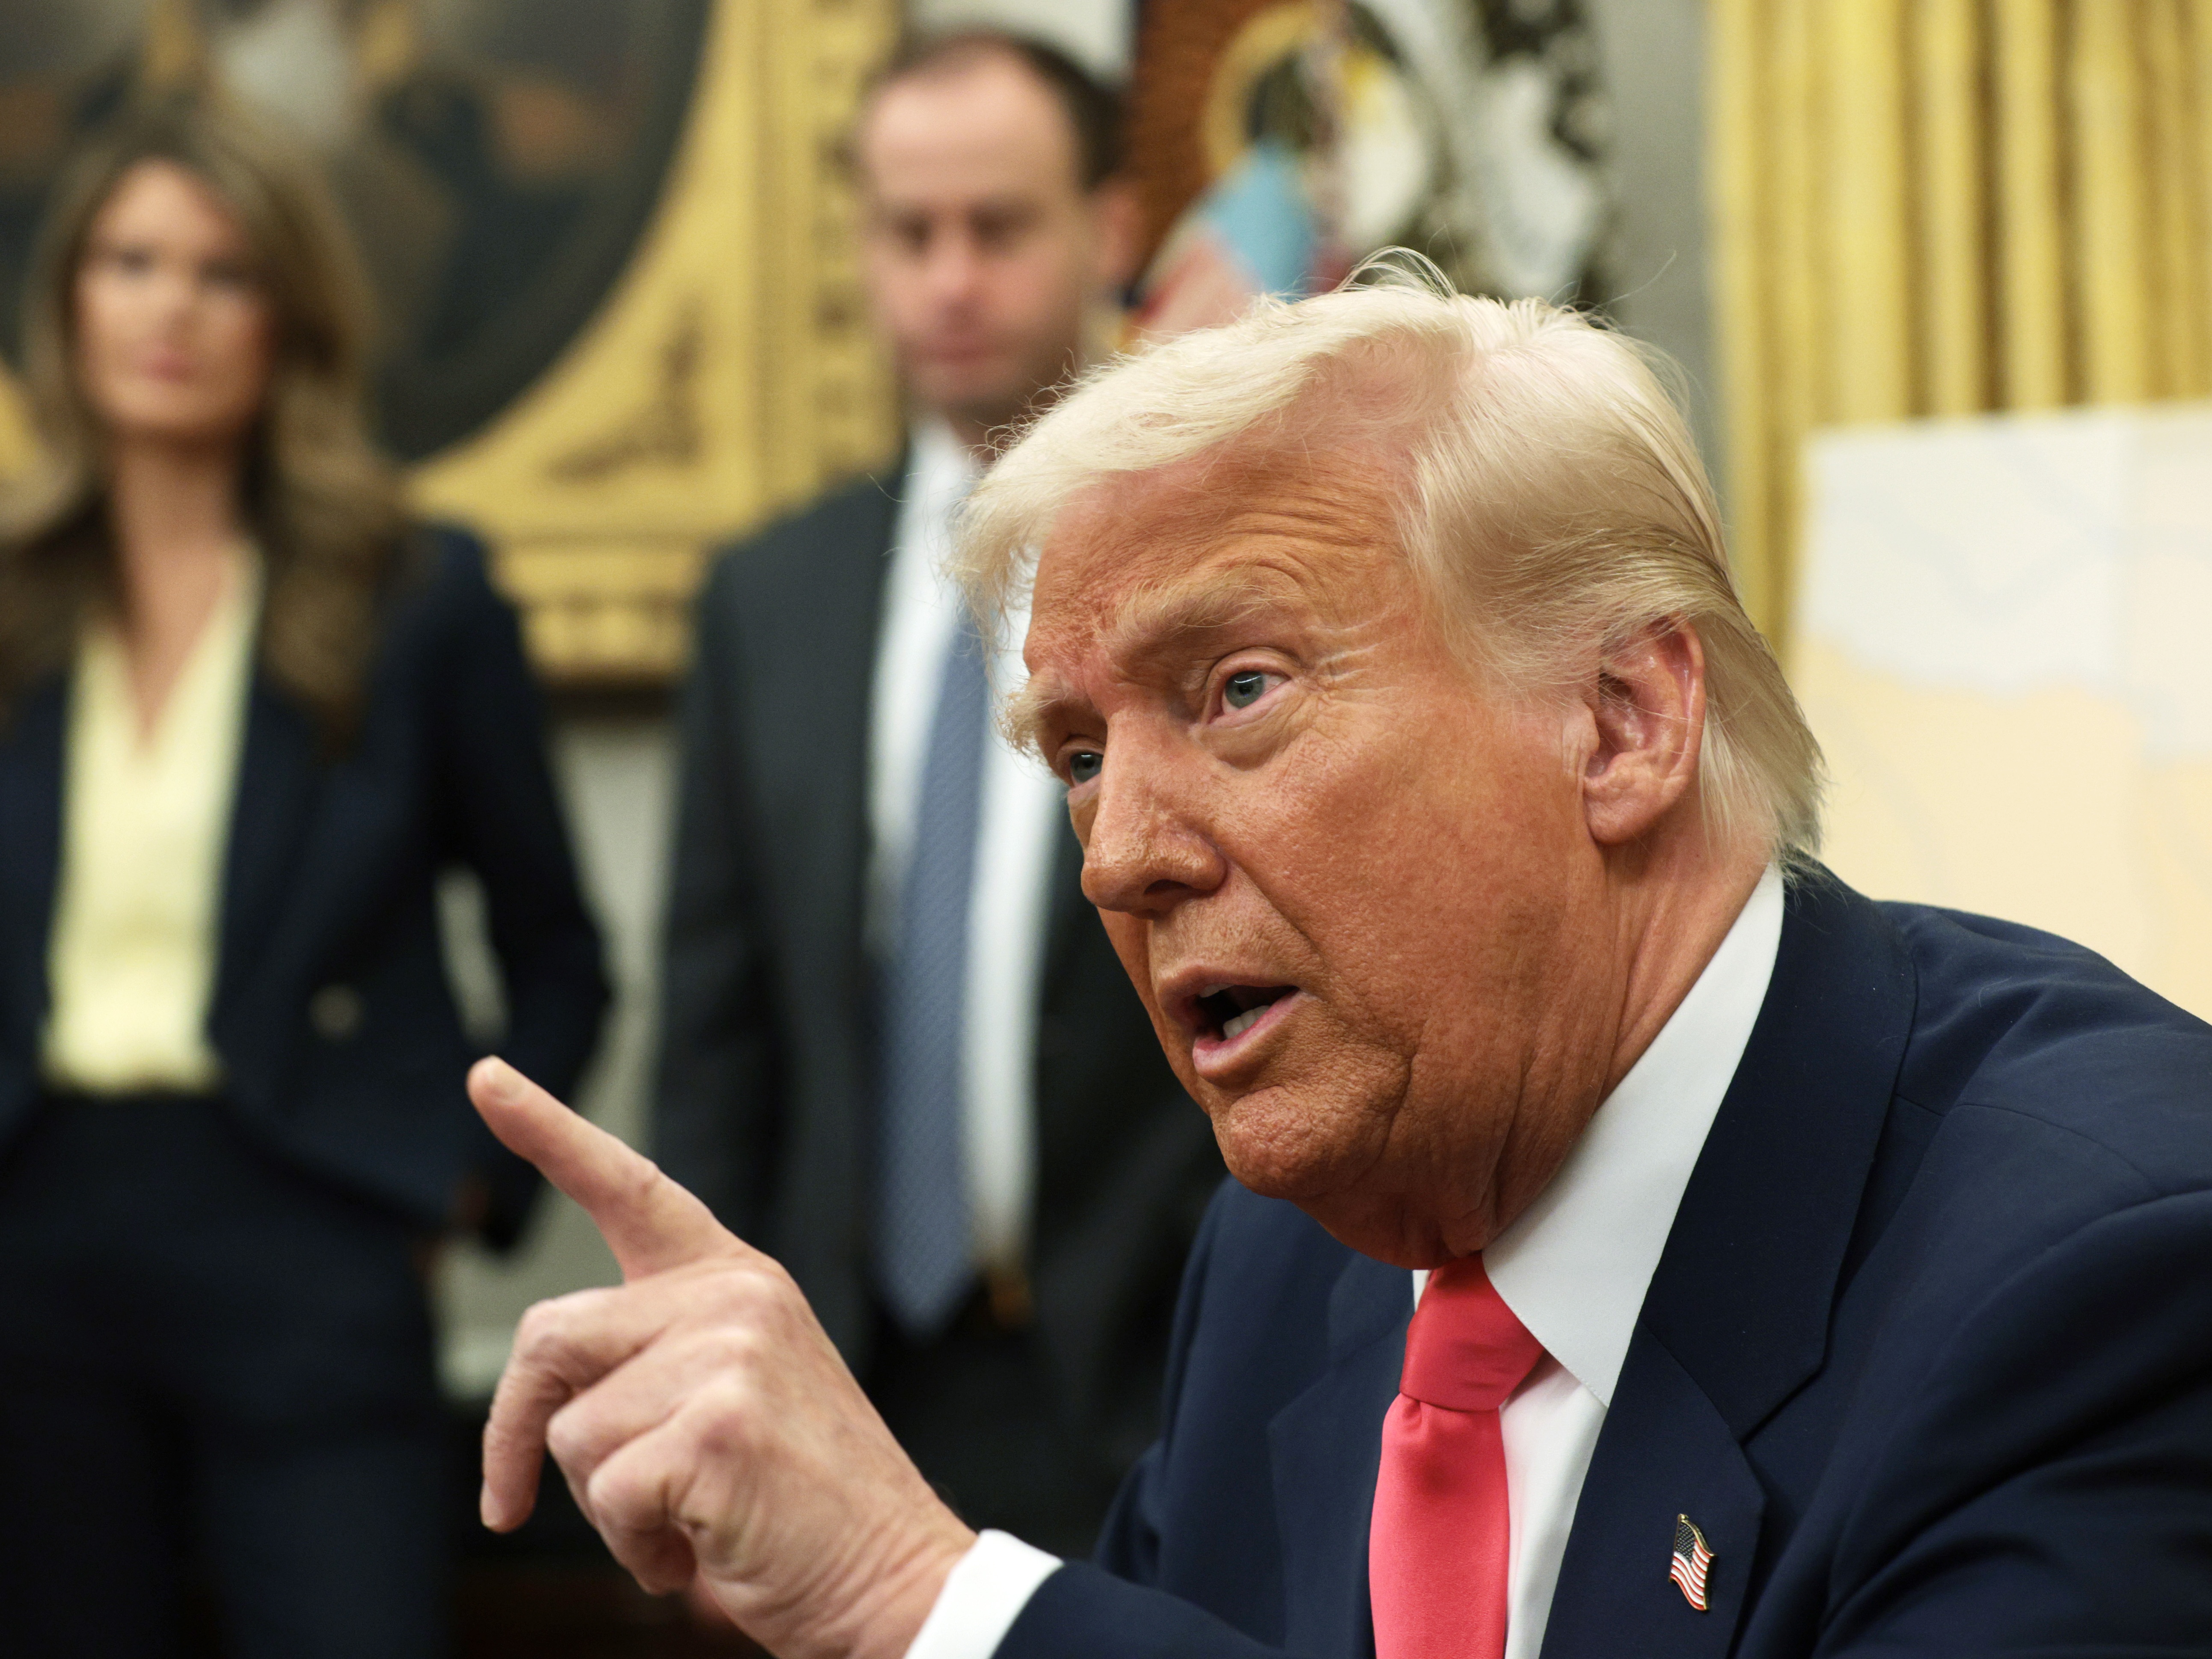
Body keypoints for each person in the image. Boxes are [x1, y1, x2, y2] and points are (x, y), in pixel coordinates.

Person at [471, 266, 2212, 1659]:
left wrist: (930, 1603)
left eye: (1236, 691)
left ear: (1622, 722)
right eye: (1079, 753)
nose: (1117, 853)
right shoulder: (1288, 1267)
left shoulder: (2104, 1269)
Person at [0, 97, 608, 1657]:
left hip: (307, 1233)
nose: (171, 309)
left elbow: (559, 954)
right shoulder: (8, 606)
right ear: (69, 298)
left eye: (223, 271)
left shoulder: (418, 600)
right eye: (131, 262)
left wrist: (451, 1187)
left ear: (291, 315)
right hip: (33, 1235)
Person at [653, 30, 1219, 1556]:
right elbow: (719, 1046)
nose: (950, 278)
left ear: (1107, 230)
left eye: (998, 225)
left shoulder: (1212, 568)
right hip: (852, 1396)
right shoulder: (769, 599)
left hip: (1157, 1386)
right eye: (911, 233)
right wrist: (710, 1409)